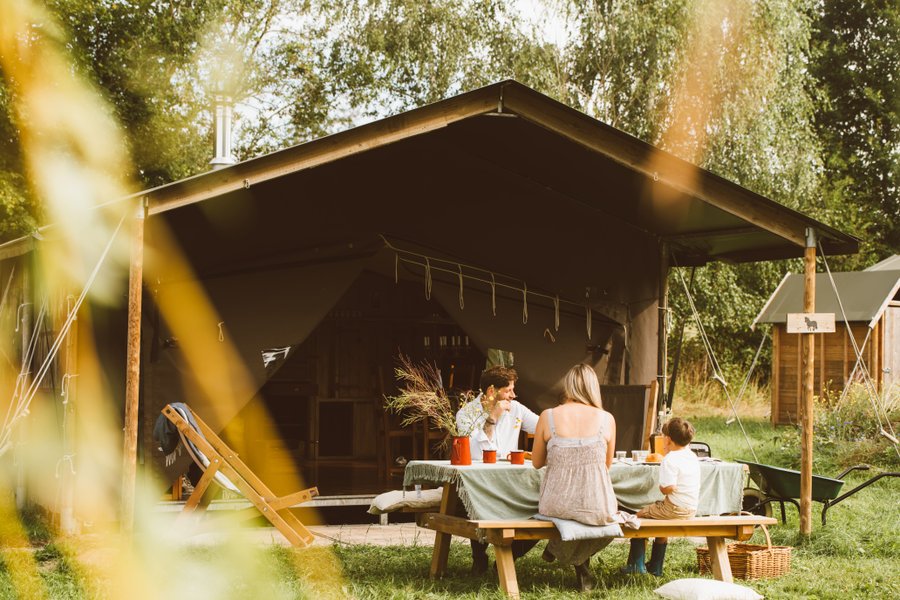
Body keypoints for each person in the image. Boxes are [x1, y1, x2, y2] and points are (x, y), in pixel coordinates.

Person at [530, 363, 618, 592]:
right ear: (593, 388)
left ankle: (558, 548)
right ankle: (574, 558)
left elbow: (537, 462)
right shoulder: (607, 419)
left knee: (571, 511)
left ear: (567, 386)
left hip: (556, 504)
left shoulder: (548, 416)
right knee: (608, 519)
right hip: (598, 505)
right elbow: (606, 465)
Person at [455, 365, 540, 575]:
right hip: (479, 481)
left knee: (544, 507)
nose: (514, 395)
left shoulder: (517, 409)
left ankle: (509, 555)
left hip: (513, 481)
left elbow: (542, 426)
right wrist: (492, 419)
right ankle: (479, 557)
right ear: (492, 391)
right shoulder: (466, 414)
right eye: (508, 390)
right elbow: (476, 453)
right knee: (476, 501)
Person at [621, 416, 700, 576]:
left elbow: (668, 488)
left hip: (674, 509)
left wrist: (663, 487)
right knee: (661, 525)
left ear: (668, 440)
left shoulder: (670, 459)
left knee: (638, 516)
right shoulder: (692, 456)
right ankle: (655, 567)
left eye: (663, 436)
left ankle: (636, 565)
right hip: (690, 509)